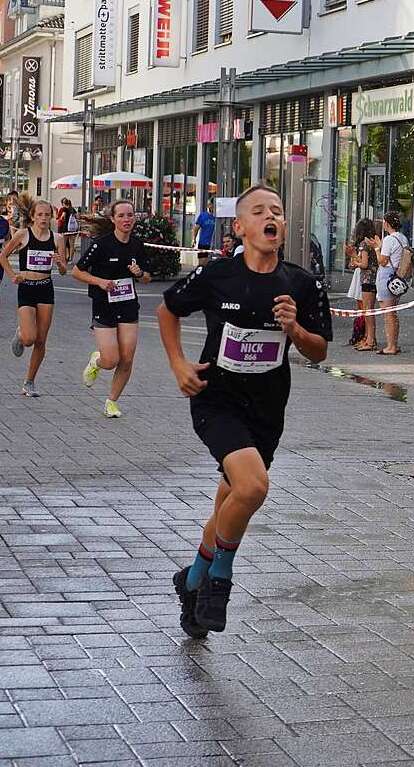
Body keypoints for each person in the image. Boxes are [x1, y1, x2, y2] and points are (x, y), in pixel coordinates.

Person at [157, 184, 332, 637]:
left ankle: (190, 581)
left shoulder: (302, 283)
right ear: (240, 226)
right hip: (216, 400)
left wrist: (294, 327)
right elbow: (167, 310)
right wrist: (178, 363)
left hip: (267, 408)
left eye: (277, 210)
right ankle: (220, 579)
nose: (270, 217)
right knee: (253, 488)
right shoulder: (218, 275)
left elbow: (320, 353)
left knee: (230, 501)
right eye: (259, 211)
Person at [72, 200, 152, 418]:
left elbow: (147, 278)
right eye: (122, 216)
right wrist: (99, 281)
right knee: (111, 360)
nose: (127, 220)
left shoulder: (137, 245)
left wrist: (138, 274)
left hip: (127, 305)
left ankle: (112, 402)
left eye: (130, 215)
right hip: (104, 305)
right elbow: (77, 272)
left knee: (127, 358)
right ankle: (96, 361)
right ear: (113, 219)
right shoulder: (101, 244)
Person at [1, 195, 67, 396]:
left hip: (46, 288)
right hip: (27, 288)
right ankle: (21, 334)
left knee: (40, 341)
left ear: (52, 217)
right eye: (40, 214)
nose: (44, 218)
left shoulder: (58, 239)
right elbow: (2, 256)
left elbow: (64, 271)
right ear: (33, 216)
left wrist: (60, 263)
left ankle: (29, 381)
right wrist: (13, 275)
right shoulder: (23, 234)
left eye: (47, 215)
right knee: (30, 338)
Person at [374, 211, 408, 355]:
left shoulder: (389, 239)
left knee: (388, 313)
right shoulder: (403, 238)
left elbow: (382, 261)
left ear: (387, 223)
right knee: (392, 312)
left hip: (387, 277)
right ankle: (393, 343)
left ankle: (391, 346)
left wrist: (377, 248)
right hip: (397, 278)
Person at [351, 218, 379, 351]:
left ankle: (370, 340)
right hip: (374, 278)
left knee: (367, 310)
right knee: (369, 310)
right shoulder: (373, 242)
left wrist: (356, 263)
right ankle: (369, 338)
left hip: (367, 279)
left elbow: (364, 264)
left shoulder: (364, 244)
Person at [193, 198, 217, 266]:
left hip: (216, 243)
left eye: (211, 204)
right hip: (204, 243)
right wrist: (194, 239)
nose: (209, 206)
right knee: (202, 263)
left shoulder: (218, 217)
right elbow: (196, 228)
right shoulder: (203, 216)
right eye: (209, 204)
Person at [56, 198, 78, 264]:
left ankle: (64, 258)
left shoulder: (64, 209)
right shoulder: (73, 209)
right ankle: (71, 259)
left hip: (66, 229)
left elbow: (63, 216)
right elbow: (77, 217)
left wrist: (60, 218)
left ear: (63, 203)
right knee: (72, 245)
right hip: (73, 229)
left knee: (64, 244)